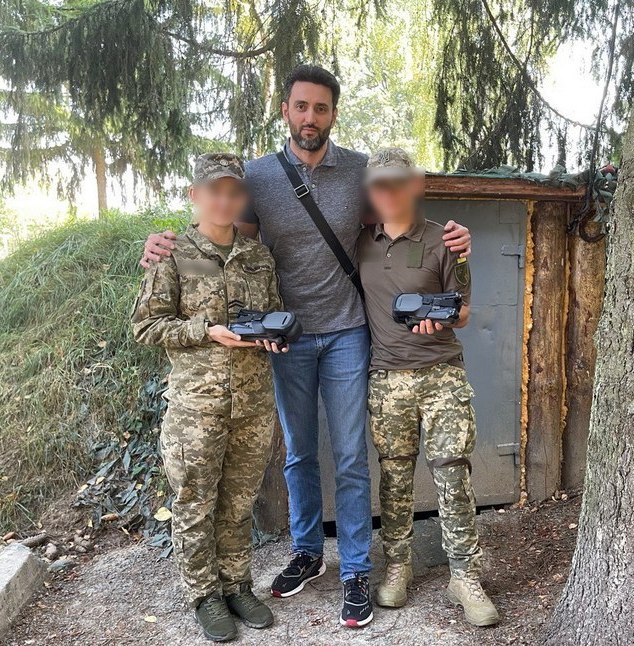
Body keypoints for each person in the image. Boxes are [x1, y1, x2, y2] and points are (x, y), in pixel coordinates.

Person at [141, 65, 472, 628]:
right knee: (298, 453)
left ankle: (356, 570)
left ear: (333, 113)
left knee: (349, 455)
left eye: (321, 107)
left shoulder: (359, 170)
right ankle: (308, 551)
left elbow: (396, 215)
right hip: (286, 337)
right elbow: (223, 235)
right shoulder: (257, 176)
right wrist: (160, 245)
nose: (310, 117)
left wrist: (452, 237)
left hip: (347, 332)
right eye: (301, 106)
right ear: (286, 111)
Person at [132, 153, 287, 642]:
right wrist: (206, 330)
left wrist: (273, 335)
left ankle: (237, 585)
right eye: (214, 191)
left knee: (239, 502)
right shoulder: (171, 254)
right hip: (196, 408)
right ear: (195, 195)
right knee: (195, 503)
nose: (225, 200)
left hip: (253, 403)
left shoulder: (257, 255)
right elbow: (146, 326)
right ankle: (204, 595)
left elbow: (273, 312)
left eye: (234, 192)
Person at [357, 147, 500, 627]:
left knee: (452, 476)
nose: (389, 192)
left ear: (413, 185)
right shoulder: (360, 241)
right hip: (387, 378)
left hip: (441, 374)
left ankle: (464, 575)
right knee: (395, 478)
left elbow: (462, 312)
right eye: (379, 184)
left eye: (397, 182)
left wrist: (439, 320)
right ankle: (398, 566)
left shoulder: (446, 240)